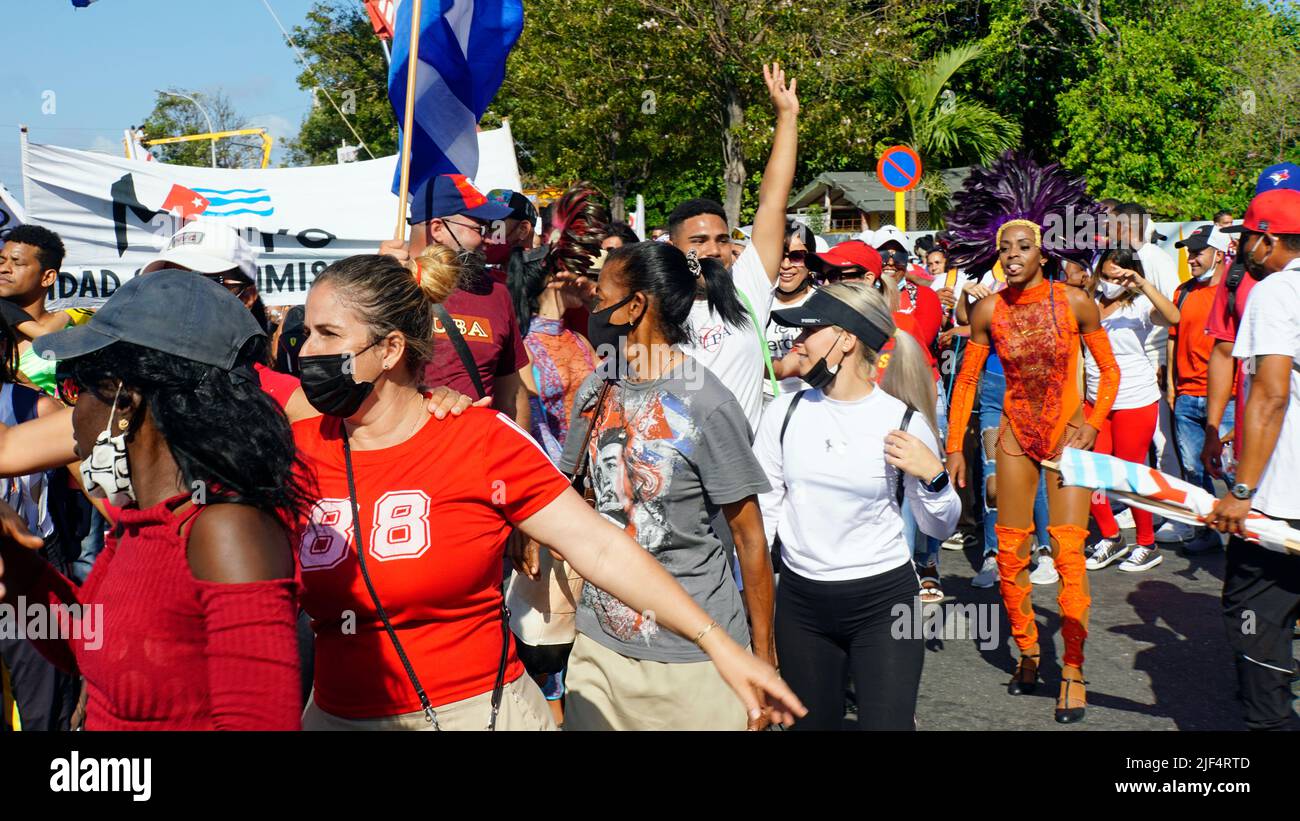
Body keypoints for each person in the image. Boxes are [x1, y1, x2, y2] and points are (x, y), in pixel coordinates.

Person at [291, 250, 802, 730]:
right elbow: (571, 487)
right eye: (307, 332)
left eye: (327, 334)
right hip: (345, 710)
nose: (305, 350)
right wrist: (518, 522)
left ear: (391, 348)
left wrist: (733, 644)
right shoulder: (289, 453)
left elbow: (611, 544)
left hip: (487, 708)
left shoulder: (702, 402)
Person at [0, 271, 310, 729]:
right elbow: (88, 647)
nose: (71, 412)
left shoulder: (227, 532)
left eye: (75, 391)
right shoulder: (137, 521)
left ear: (125, 402)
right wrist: (16, 553)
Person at [558, 241, 779, 731]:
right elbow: (565, 490)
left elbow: (749, 537)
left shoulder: (708, 404)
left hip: (694, 657)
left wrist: (763, 657)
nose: (593, 311)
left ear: (634, 306)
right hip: (599, 648)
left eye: (601, 299)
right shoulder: (599, 388)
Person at [945, 152, 1120, 723]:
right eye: (1004, 249)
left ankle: (1072, 668)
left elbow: (1109, 372)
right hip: (1015, 440)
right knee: (1011, 550)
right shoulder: (989, 311)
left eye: (1022, 247)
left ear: (1043, 252)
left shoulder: (1075, 302)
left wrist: (1091, 422)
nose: (1012, 256)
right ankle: (1027, 651)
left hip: (1068, 439)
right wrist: (954, 447)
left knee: (1069, 553)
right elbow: (968, 381)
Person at [754, 282, 960, 730]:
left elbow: (939, 526)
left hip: (883, 605)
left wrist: (935, 477)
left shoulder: (902, 421)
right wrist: (753, 617)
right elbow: (763, 519)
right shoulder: (783, 414)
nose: (797, 342)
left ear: (846, 340)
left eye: (808, 331)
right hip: (801, 605)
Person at [1205, 187, 1300, 731]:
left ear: (1267, 239)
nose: (1241, 245)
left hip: (1281, 501)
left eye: (1245, 235)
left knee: (1252, 624)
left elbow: (1270, 394)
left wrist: (1241, 493)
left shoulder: (1275, 292)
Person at [667, 62, 799, 434]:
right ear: (672, 247)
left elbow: (773, 202)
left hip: (745, 479)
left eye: (722, 240)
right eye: (698, 241)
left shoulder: (747, 288)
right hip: (677, 473)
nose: (713, 250)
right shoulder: (654, 306)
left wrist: (786, 116)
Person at [386, 173, 531, 427]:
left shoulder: (496, 292)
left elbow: (511, 394)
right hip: (407, 456)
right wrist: (378, 284)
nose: (488, 237)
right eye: (479, 227)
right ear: (438, 229)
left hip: (479, 456)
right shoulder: (388, 285)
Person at [1081, 249, 1180, 573]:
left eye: (1119, 277)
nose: (1112, 283)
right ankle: (1111, 536)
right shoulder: (1087, 303)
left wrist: (1142, 284)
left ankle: (1147, 544)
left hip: (1134, 398)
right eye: (1107, 276)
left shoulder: (1138, 304)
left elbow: (1173, 317)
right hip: (1096, 399)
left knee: (1131, 473)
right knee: (1089, 472)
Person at [141, 219, 300, 409]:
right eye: (169, 282)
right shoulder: (131, 395)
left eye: (206, 282)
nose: (183, 296)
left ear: (247, 297)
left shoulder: (288, 400)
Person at [1165, 224, 1234, 555]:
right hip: (1186, 396)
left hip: (1228, 400)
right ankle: (1206, 533)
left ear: (1218, 255)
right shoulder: (1183, 291)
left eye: (1197, 253)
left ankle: (1252, 539)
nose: (1191, 259)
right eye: (1189, 252)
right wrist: (1170, 385)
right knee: (1194, 471)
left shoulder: (1235, 293)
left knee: (1234, 474)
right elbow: (1173, 337)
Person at [764, 220, 817, 403]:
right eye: (779, 255)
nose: (786, 265)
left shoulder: (824, 304)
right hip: (761, 400)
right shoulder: (754, 301)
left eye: (797, 256)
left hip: (809, 400)